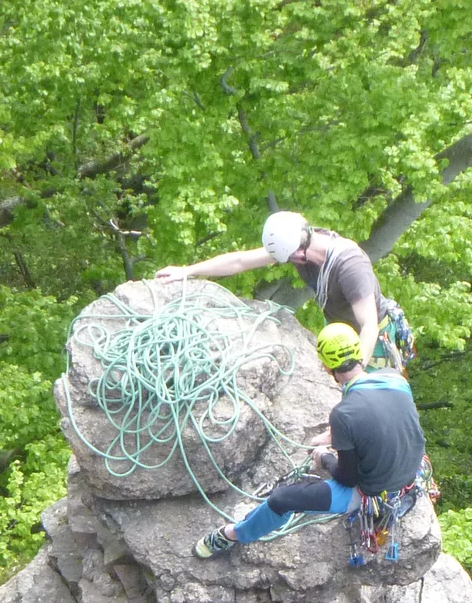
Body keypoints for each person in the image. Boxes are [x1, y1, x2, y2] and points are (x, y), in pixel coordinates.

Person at [195, 323, 426, 559]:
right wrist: (335, 436)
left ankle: (233, 534)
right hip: (409, 476)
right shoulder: (395, 379)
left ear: (326, 366)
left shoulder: (343, 414)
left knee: (281, 499)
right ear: (358, 352)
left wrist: (324, 458)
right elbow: (383, 418)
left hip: (371, 494)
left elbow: (348, 478)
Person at [156, 211, 413, 372]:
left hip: (372, 339)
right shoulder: (297, 243)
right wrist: (187, 270)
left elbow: (369, 324)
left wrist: (356, 373)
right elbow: (241, 261)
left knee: (369, 400)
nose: (290, 262)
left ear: (299, 250)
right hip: (338, 328)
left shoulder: (350, 266)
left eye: (291, 258)